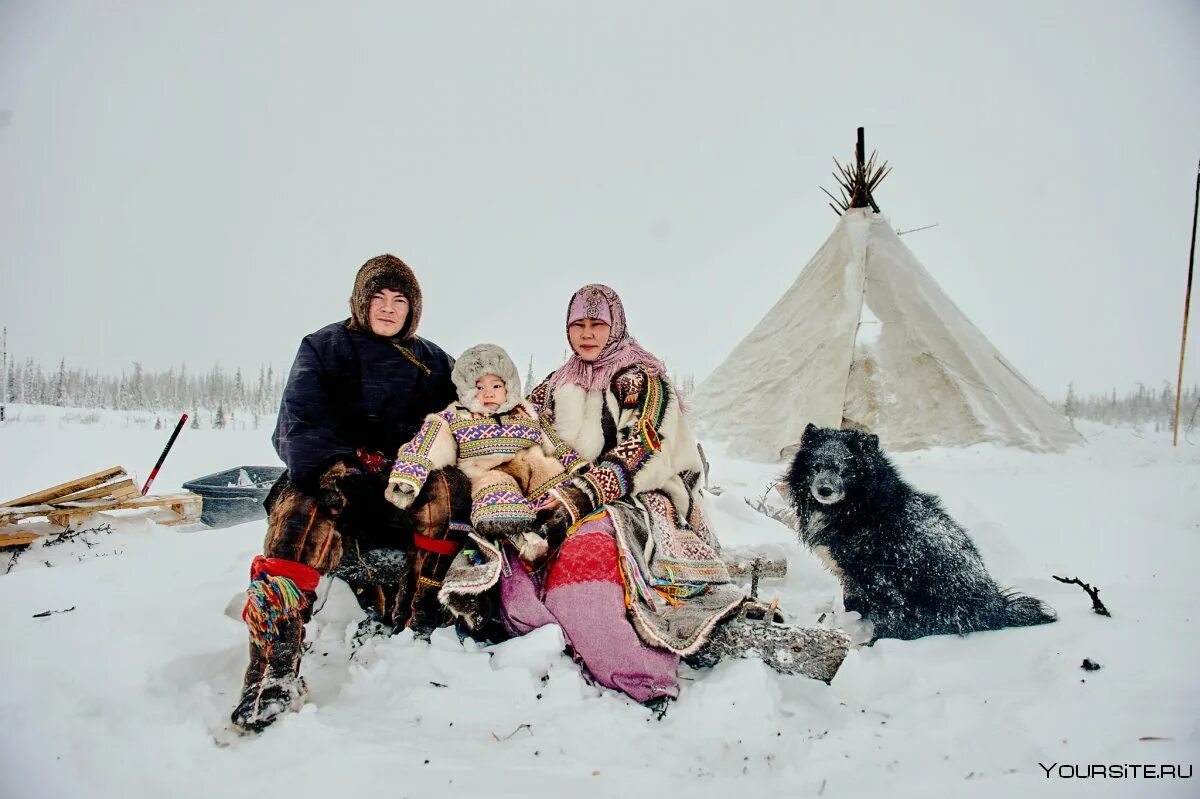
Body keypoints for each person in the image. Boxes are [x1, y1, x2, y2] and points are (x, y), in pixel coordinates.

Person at [447, 284, 746, 704]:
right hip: (561, 488)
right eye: (578, 325)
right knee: (515, 552)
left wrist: (582, 495)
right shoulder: (556, 383)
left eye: (597, 324)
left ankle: (637, 673)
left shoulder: (640, 379)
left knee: (581, 566)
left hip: (635, 496)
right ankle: (547, 643)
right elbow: (517, 426)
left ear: (615, 326)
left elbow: (645, 448)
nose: (587, 334)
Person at [231, 254, 473, 733]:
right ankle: (273, 667)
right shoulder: (325, 347)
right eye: (378, 298)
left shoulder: (432, 362)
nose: (388, 308)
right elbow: (300, 420)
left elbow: (465, 420)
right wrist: (336, 469)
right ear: (360, 302)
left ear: (413, 308)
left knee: (451, 492)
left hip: (405, 480)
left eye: (399, 300)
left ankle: (419, 619)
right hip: (338, 473)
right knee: (299, 511)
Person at [386, 343, 573, 567]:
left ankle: (560, 523)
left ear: (509, 385)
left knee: (550, 472)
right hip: (486, 471)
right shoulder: (455, 416)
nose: (488, 393)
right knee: (496, 489)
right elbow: (428, 444)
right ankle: (522, 537)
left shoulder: (528, 412)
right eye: (479, 387)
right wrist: (409, 476)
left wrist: (576, 464)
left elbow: (554, 441)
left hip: (529, 467)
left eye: (496, 385)